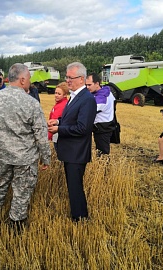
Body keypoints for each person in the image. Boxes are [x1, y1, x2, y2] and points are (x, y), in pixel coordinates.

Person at [0, 63, 51, 230]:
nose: (29, 82)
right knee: (21, 193)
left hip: (2, 156)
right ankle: (16, 227)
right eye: (28, 79)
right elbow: (41, 135)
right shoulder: (31, 103)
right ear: (21, 79)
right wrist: (46, 157)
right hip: (25, 159)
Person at [48, 62, 97, 222]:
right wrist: (58, 121)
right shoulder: (75, 96)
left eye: (71, 77)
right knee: (73, 186)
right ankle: (79, 215)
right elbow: (71, 119)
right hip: (71, 150)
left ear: (81, 79)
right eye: (66, 77)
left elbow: (83, 128)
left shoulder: (87, 99)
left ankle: (80, 218)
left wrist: (59, 129)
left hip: (77, 152)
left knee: (75, 187)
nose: (67, 80)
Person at [86, 73, 115, 157]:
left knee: (103, 154)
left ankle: (104, 169)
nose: (87, 87)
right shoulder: (104, 91)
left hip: (103, 128)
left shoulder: (102, 97)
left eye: (89, 85)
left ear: (97, 84)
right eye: (86, 85)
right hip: (103, 126)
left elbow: (89, 110)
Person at [48, 82, 69, 150]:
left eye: (59, 94)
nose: (56, 95)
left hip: (57, 136)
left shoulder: (61, 106)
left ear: (65, 95)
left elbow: (54, 122)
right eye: (55, 93)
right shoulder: (60, 104)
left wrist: (49, 136)